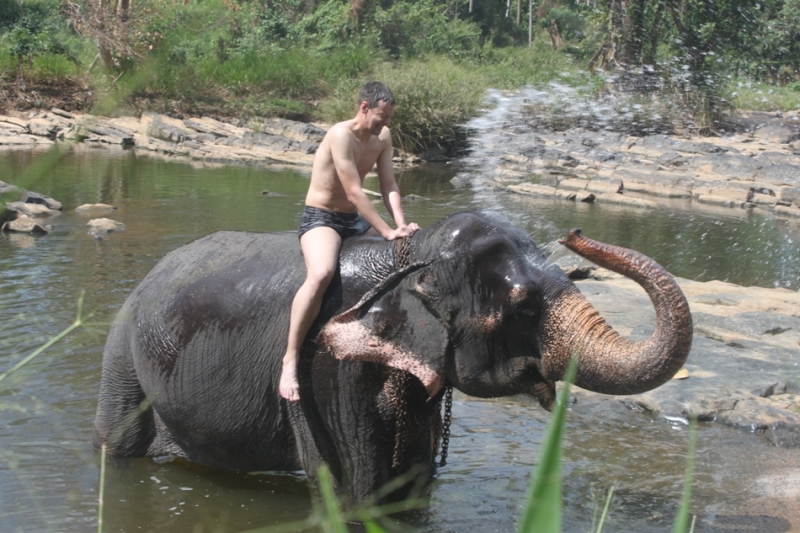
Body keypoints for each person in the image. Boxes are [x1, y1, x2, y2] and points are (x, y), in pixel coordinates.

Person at [279, 81, 420, 402]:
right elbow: (355, 191)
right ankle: (290, 358)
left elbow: (389, 184)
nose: (386, 124)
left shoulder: (383, 137)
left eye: (390, 119)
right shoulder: (340, 135)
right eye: (382, 117)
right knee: (320, 275)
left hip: (356, 220)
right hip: (323, 217)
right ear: (364, 107)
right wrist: (384, 231)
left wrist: (400, 225)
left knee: (402, 258)